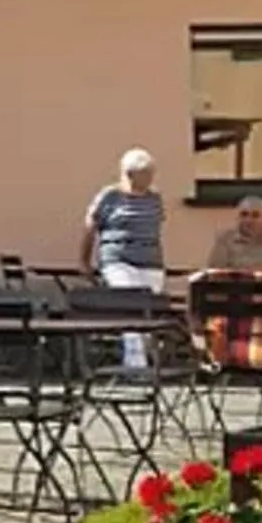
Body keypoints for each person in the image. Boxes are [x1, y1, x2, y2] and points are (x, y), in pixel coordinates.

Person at [79, 147, 165, 370]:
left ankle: (145, 360)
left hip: (150, 262)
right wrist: (84, 261)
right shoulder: (110, 196)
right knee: (130, 307)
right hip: (118, 259)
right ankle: (135, 365)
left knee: (148, 312)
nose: (148, 178)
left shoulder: (155, 199)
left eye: (150, 173)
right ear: (128, 174)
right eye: (144, 174)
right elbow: (91, 227)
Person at [206, 195, 262, 272]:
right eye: (244, 215)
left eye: (255, 216)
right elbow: (214, 275)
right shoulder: (224, 240)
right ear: (237, 218)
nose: (248, 220)